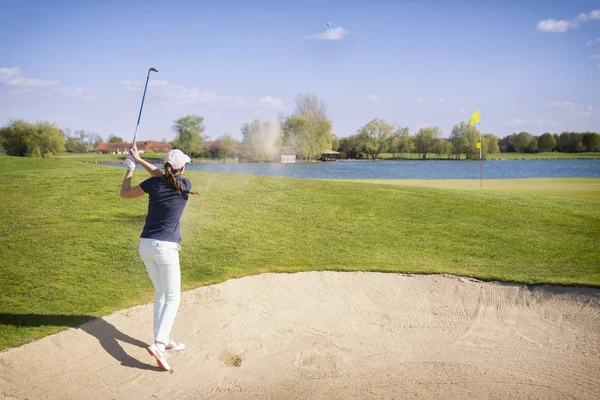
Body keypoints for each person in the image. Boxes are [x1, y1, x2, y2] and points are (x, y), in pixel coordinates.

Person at [120, 145, 197, 371]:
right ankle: (159, 344)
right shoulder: (185, 185)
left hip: (146, 246)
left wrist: (131, 166)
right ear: (182, 167)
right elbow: (165, 176)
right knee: (173, 297)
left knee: (162, 294)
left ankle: (163, 338)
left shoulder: (153, 184)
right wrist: (140, 160)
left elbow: (125, 193)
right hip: (166, 248)